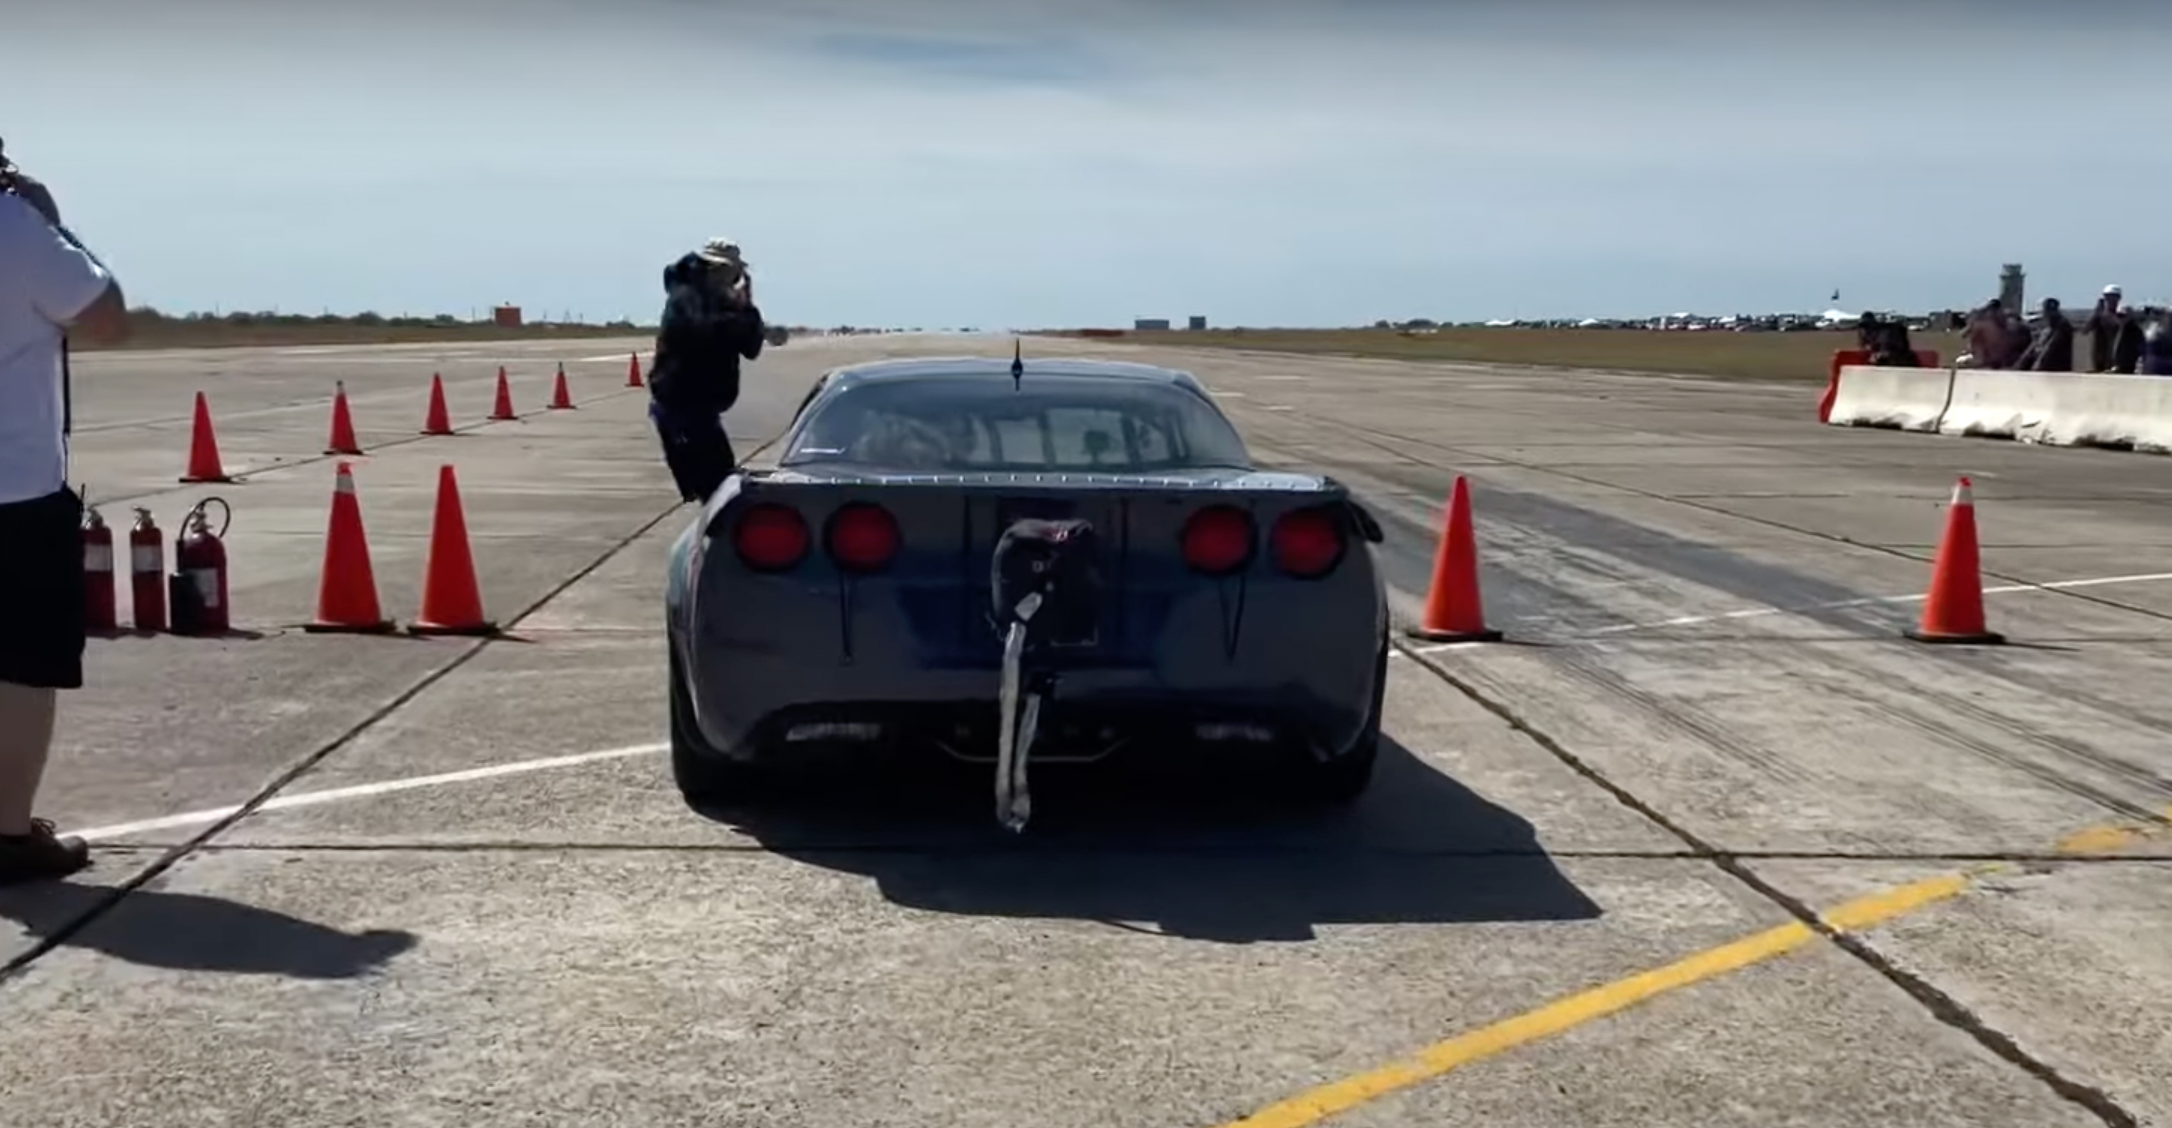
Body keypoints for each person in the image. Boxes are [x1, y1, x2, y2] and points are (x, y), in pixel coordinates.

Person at [0, 147, 129, 884]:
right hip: (13, 489)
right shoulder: (14, 227)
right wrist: (53, 224)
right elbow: (106, 317)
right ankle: (10, 834)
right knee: (22, 663)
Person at [646, 238, 767, 503]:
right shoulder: (685, 297)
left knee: (722, 484)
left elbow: (750, 347)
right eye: (727, 272)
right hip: (680, 407)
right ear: (711, 269)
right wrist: (740, 314)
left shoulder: (720, 303)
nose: (731, 279)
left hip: (703, 410)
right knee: (716, 488)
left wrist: (747, 307)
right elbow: (705, 332)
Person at [2014, 297, 2074, 372]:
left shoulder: (2062, 327)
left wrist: (2037, 367)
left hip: (2054, 370)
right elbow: (2033, 347)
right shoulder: (2046, 328)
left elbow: (2050, 349)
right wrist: (2018, 365)